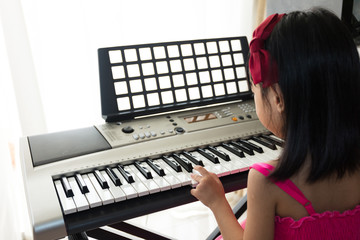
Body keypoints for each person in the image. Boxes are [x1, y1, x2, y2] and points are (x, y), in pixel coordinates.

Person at [190, 8, 360, 240]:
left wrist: (217, 201)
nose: (254, 92)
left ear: (278, 99)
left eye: (255, 88)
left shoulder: (267, 181)